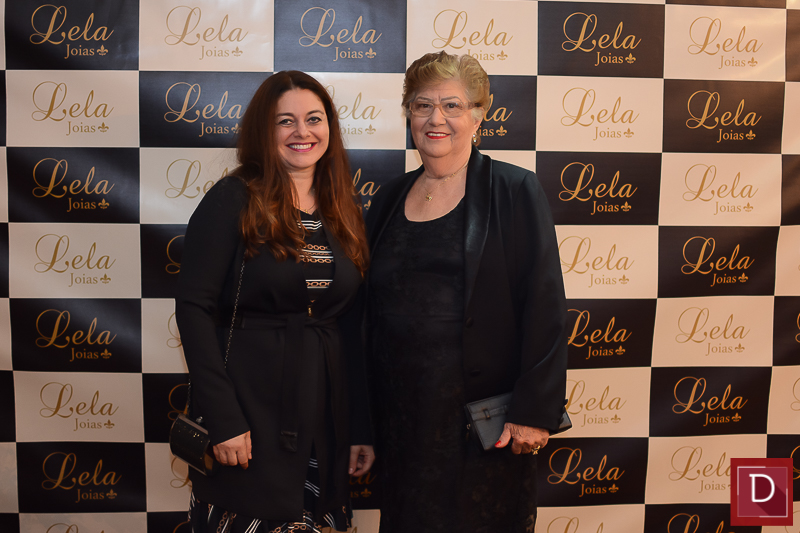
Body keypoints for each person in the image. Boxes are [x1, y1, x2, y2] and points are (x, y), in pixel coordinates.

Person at [364, 52, 568, 532]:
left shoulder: (514, 190)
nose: (436, 119)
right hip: (401, 419)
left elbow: (544, 306)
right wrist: (361, 422)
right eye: (422, 105)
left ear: (479, 115)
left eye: (452, 105)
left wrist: (533, 412)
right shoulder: (388, 198)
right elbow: (368, 313)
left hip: (482, 426)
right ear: (409, 114)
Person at [175, 70, 375, 533]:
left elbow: (350, 325)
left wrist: (359, 427)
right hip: (251, 405)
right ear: (263, 131)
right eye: (285, 121)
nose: (302, 132)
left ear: (330, 127)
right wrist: (223, 418)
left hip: (324, 411)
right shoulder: (233, 199)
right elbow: (193, 309)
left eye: (314, 119)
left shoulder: (343, 206)